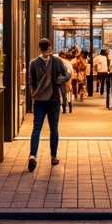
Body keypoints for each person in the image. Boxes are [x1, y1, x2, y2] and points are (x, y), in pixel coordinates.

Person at [26, 38, 68, 171]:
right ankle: (53, 156)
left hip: (39, 101)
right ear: (49, 47)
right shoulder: (57, 61)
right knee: (53, 128)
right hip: (54, 99)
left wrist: (35, 93)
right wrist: (58, 81)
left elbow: (30, 81)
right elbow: (67, 75)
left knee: (36, 128)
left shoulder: (33, 63)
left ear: (39, 48)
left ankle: (33, 156)